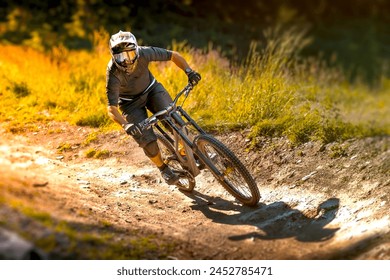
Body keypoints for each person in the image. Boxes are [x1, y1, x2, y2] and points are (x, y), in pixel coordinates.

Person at [106, 31, 201, 185]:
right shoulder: (113, 73)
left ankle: (187, 150)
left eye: (130, 55)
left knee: (173, 120)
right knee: (146, 139)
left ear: (136, 50)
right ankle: (163, 168)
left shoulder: (145, 53)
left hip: (151, 90)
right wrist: (125, 124)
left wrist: (189, 72)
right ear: (113, 56)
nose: (126, 61)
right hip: (130, 103)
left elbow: (173, 55)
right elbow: (111, 108)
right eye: (121, 57)